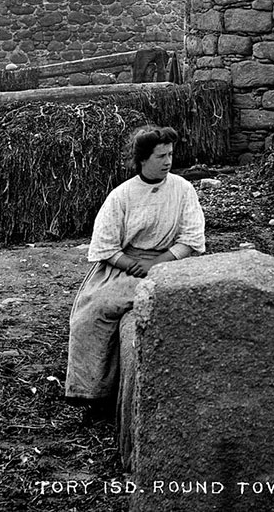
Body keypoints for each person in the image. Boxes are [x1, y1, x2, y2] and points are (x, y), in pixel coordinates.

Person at [65, 126, 206, 408]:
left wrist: (158, 262)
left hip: (170, 263)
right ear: (143, 159)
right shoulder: (122, 195)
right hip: (124, 266)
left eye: (170, 154)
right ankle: (94, 393)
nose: (168, 161)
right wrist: (132, 264)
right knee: (92, 313)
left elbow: (192, 237)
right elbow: (104, 244)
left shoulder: (183, 189)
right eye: (160, 156)